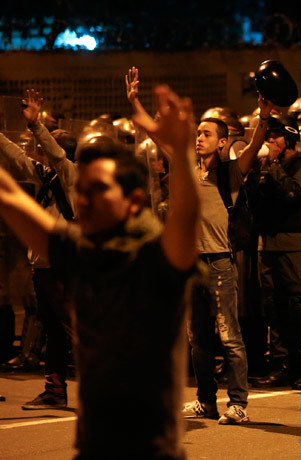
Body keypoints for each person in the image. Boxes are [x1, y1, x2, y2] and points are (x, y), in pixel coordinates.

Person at [0, 84, 199, 459]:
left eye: (98, 189)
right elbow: (9, 198)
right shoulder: (81, 251)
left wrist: (184, 154)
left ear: (133, 200)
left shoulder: (156, 260)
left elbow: (187, 218)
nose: (84, 199)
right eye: (83, 191)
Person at [181, 96, 274, 424]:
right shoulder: (188, 172)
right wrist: (134, 101)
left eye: (206, 134)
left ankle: (238, 404)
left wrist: (263, 116)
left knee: (229, 335)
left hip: (219, 263)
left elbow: (254, 145)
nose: (199, 138)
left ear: (222, 142)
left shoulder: (231, 174)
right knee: (198, 339)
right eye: (197, 133)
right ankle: (206, 401)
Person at [0, 89, 77, 409]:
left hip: (64, 266)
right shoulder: (48, 178)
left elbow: (57, 156)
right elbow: (19, 158)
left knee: (72, 330)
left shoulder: (72, 177)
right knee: (56, 332)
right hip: (45, 267)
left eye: (49, 144)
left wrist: (35, 126)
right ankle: (55, 391)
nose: (40, 152)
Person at [251, 117, 301, 390]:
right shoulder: (268, 167)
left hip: (296, 243)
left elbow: (293, 194)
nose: (269, 142)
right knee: (273, 306)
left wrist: (272, 168)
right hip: (268, 243)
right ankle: (281, 364)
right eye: (266, 138)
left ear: (289, 139)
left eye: (274, 138)